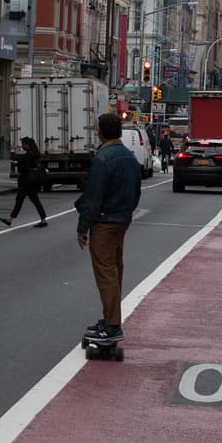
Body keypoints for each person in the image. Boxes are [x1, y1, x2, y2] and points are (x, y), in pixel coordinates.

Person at [76, 113, 142, 344]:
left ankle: (112, 326)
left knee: (105, 274)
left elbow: (93, 197)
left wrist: (83, 228)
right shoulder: (130, 158)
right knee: (114, 271)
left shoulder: (103, 159)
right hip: (122, 221)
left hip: (104, 222)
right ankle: (109, 319)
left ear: (100, 131)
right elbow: (136, 194)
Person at [0, 136, 48, 228]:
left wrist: (17, 164)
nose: (22, 146)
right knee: (32, 201)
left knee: (21, 201)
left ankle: (10, 219)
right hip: (31, 182)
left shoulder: (29, 154)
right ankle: (43, 220)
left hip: (26, 182)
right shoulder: (34, 153)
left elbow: (25, 168)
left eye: (23, 144)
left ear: (27, 144)